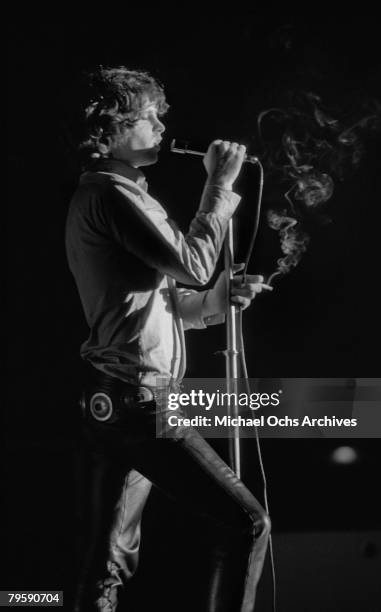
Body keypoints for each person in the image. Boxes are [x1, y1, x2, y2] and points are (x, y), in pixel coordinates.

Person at [66, 66, 271, 612]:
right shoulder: (110, 195)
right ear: (107, 129)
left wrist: (216, 303)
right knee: (247, 522)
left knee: (109, 560)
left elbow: (164, 301)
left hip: (120, 396)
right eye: (146, 117)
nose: (161, 126)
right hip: (140, 400)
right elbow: (192, 263)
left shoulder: (126, 194)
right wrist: (219, 185)